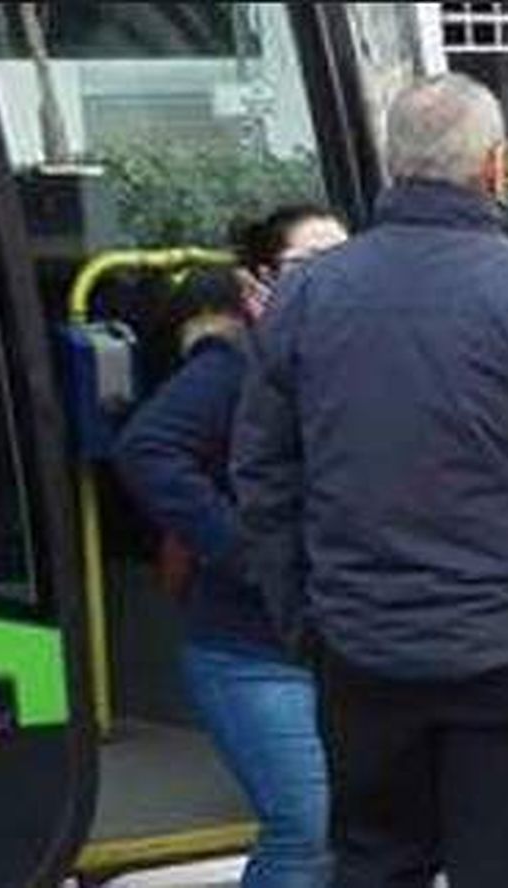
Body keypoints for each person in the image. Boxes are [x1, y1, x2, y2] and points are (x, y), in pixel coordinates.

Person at [231, 73, 508, 887]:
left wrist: (307, 624)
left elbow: (264, 477)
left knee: (375, 866)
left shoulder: (307, 296)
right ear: (495, 169)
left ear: (393, 166)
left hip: (364, 654)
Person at [113, 204, 348, 888]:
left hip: (341, 646)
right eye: (310, 268)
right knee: (308, 828)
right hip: (251, 652)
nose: (332, 282)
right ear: (256, 287)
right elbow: (148, 448)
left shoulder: (358, 362)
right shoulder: (235, 366)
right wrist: (244, 546)